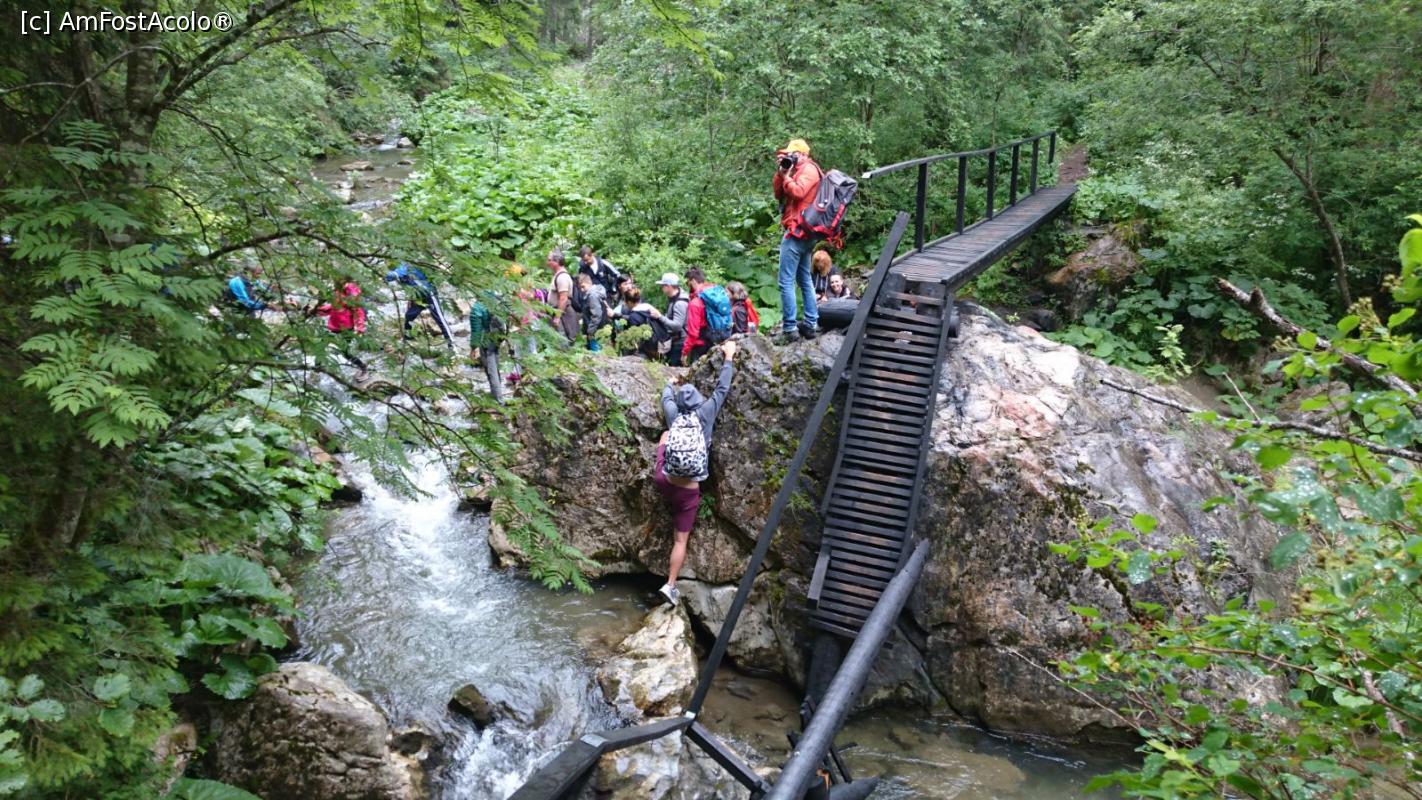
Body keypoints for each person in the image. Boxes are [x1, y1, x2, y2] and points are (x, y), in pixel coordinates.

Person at [654, 339, 738, 606]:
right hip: (688, 492)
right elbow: (722, 388)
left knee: (665, 436)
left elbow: (666, 396)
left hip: (664, 480)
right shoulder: (705, 413)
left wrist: (670, 383)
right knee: (680, 540)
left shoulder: (673, 415)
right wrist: (728, 357)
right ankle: (670, 585)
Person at [771, 138, 824, 343]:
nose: (788, 157)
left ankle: (790, 327)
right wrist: (781, 173)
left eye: (791, 154)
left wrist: (787, 177)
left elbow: (798, 192)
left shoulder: (809, 170)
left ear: (802, 154)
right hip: (803, 233)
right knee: (803, 279)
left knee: (786, 281)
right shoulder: (796, 170)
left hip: (797, 232)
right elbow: (779, 194)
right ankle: (810, 324)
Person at [384, 262, 454, 349]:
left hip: (429, 294)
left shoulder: (405, 267)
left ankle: (451, 343)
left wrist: (386, 275)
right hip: (417, 296)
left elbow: (396, 274)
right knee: (409, 315)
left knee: (439, 318)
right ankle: (408, 337)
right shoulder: (401, 267)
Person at [680, 267, 733, 365]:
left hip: (701, 347)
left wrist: (685, 352)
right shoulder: (717, 294)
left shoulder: (696, 303)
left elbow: (693, 333)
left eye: (687, 282)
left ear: (693, 281)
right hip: (721, 341)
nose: (687, 285)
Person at [316, 276, 368, 373]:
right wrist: (318, 310)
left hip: (346, 329)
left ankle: (363, 367)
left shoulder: (351, 294)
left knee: (346, 352)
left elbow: (358, 312)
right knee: (320, 347)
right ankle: (316, 368)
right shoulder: (338, 292)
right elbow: (334, 307)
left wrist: (360, 328)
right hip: (333, 326)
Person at [469, 291, 507, 403]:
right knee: (495, 365)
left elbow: (476, 331)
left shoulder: (477, 308)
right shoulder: (495, 297)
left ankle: (498, 400)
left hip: (486, 341)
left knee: (491, 370)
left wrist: (474, 348)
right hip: (498, 337)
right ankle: (498, 394)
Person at [654, 272, 691, 366]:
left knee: (674, 368)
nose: (662, 288)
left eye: (663, 286)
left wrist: (660, 317)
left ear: (669, 286)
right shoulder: (674, 298)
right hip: (677, 340)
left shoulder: (679, 303)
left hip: (680, 342)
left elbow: (677, 326)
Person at [547, 250, 578, 344]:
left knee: (562, 340)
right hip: (558, 313)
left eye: (549, 260)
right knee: (558, 340)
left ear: (556, 262)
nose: (547, 263)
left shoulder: (562, 277)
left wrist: (557, 317)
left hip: (563, 314)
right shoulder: (557, 275)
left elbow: (563, 298)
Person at [577, 272, 609, 352]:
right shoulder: (595, 293)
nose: (582, 290)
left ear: (589, 283)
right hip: (598, 328)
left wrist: (590, 331)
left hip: (595, 330)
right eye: (580, 288)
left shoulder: (592, 296)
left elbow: (596, 314)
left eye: (583, 286)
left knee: (596, 352)